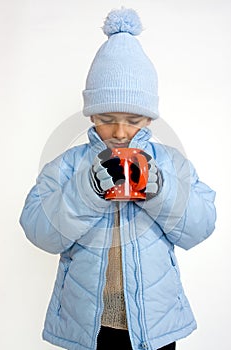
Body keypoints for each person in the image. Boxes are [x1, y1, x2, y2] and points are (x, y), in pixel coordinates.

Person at [19, 8, 216, 350]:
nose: (120, 131)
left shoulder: (170, 163)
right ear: (91, 114)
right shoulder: (68, 165)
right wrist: (87, 189)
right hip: (88, 328)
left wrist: (158, 188)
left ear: (150, 118)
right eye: (107, 118)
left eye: (134, 119)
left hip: (155, 328)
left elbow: (201, 225)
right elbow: (39, 230)